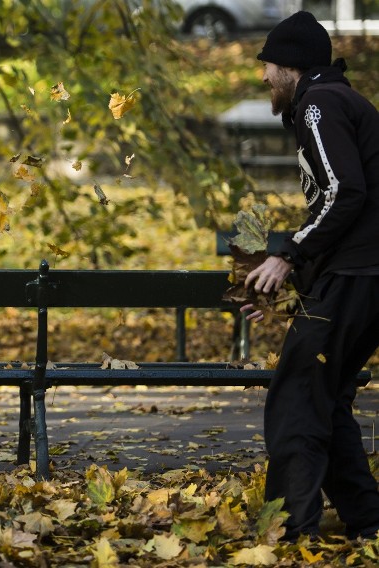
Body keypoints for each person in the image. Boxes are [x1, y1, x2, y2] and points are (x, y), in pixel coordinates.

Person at [240, 11, 379, 542]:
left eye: (268, 66)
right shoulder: (334, 102)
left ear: (291, 67)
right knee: (327, 395)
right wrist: (288, 282)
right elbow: (339, 207)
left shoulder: (319, 105)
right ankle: (367, 520)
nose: (264, 78)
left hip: (359, 272)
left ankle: (289, 531)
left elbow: (346, 192)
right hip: (360, 274)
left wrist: (289, 255)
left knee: (299, 392)